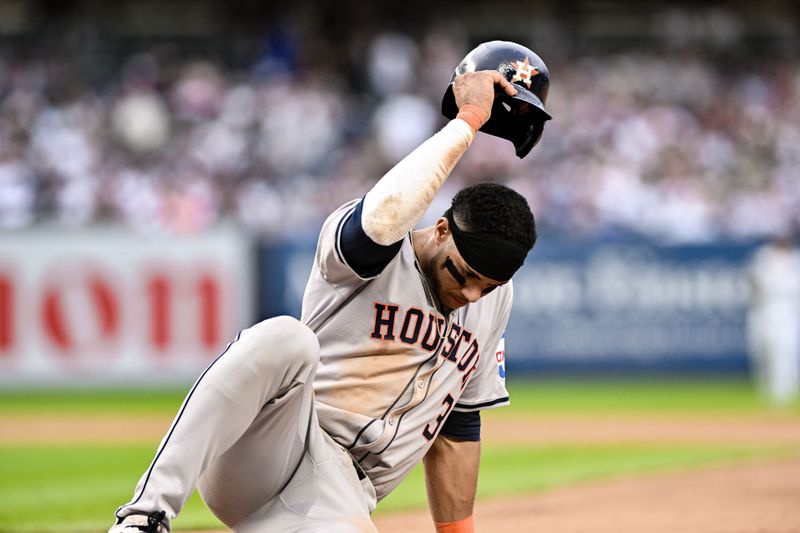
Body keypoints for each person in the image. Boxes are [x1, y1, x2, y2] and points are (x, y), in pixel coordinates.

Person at [109, 41, 550, 533]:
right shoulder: (375, 249)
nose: (472, 294)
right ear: (442, 229)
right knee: (284, 337)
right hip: (273, 446)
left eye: (487, 287)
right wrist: (468, 119)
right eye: (464, 275)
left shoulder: (493, 302)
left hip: (341, 494)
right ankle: (145, 517)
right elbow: (386, 213)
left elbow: (458, 430)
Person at [747, 233, 800, 407]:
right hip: (764, 308)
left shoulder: (795, 259)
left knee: (786, 351)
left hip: (788, 311)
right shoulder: (764, 255)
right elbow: (754, 281)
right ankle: (766, 390)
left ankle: (784, 393)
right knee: (762, 349)